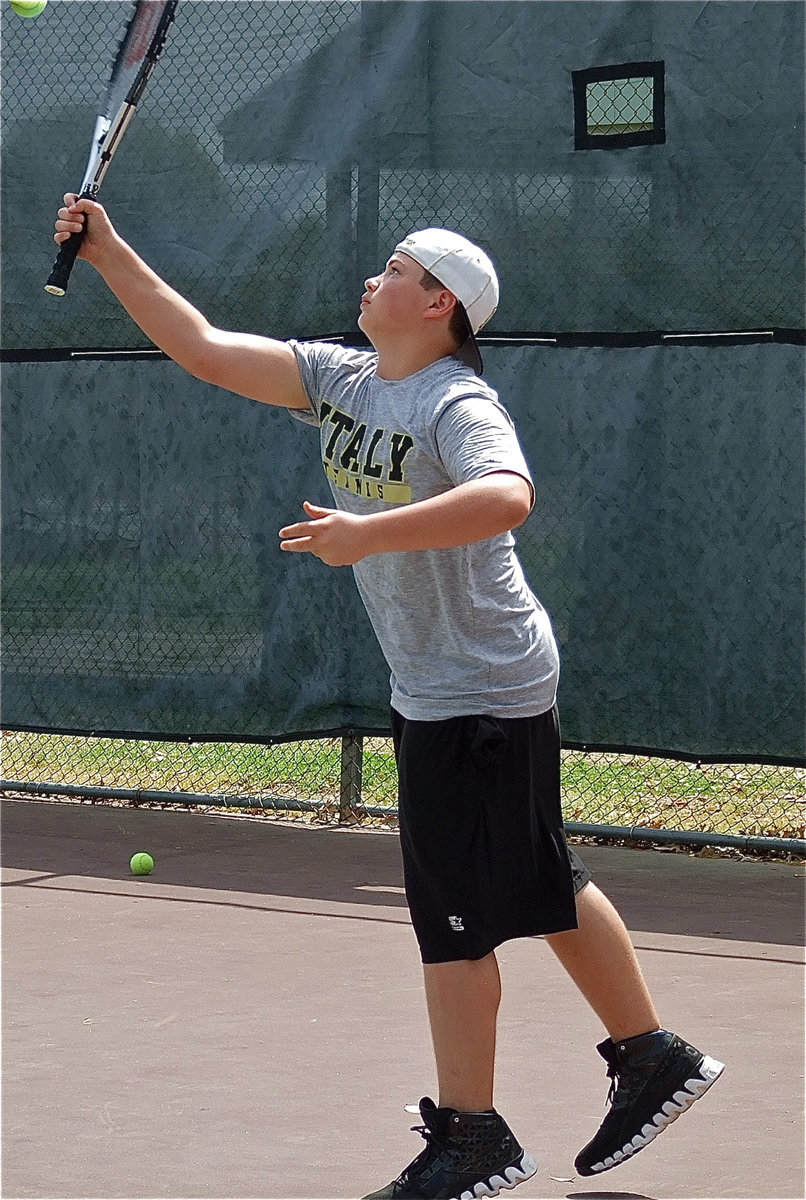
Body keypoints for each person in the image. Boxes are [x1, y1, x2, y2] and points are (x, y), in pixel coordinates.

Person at [54, 199, 725, 1198]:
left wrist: (369, 534)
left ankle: (473, 1139)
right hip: (447, 686)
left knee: (452, 916)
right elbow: (201, 348)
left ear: (437, 302)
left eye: (394, 269)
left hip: (480, 688)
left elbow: (507, 496)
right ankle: (649, 1056)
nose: (373, 280)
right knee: (538, 879)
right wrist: (108, 253)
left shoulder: (455, 402)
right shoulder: (340, 377)